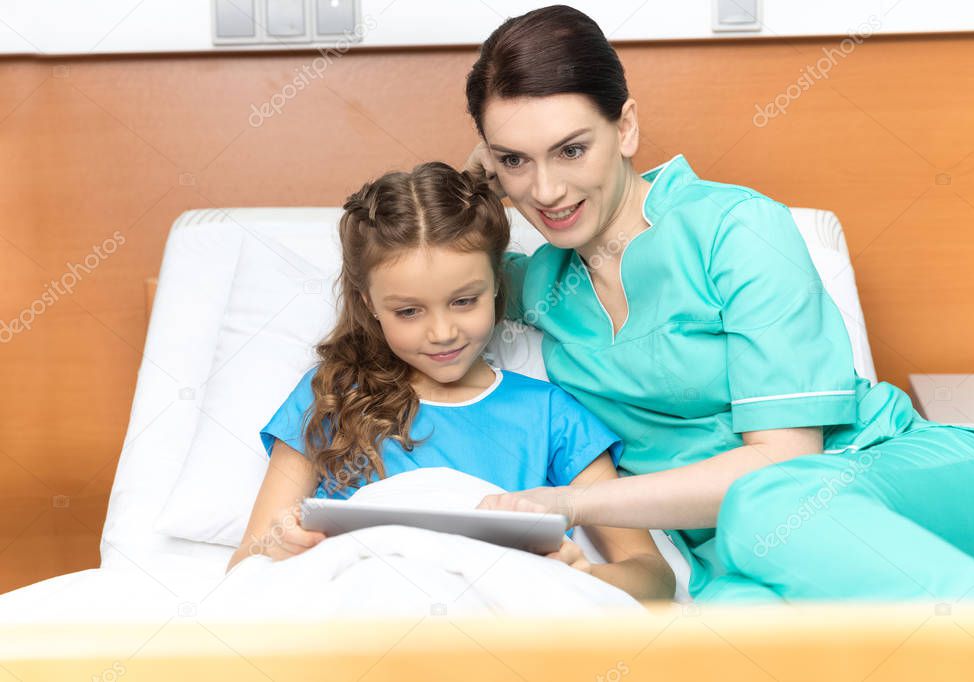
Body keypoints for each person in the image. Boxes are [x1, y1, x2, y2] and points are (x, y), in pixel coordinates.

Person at [465, 5, 974, 601]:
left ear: (625, 127)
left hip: (902, 482)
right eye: (515, 161)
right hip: (739, 555)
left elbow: (782, 461)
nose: (545, 191)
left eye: (571, 150)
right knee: (728, 621)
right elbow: (422, 265)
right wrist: (468, 181)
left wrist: (570, 502)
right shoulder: (531, 284)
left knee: (764, 508)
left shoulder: (737, 229)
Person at [226, 161, 675, 602]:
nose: (442, 333)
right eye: (408, 311)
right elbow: (245, 566)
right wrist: (281, 546)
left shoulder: (551, 414)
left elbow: (653, 577)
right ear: (370, 303)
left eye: (463, 301)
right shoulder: (329, 397)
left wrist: (583, 574)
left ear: (497, 284)